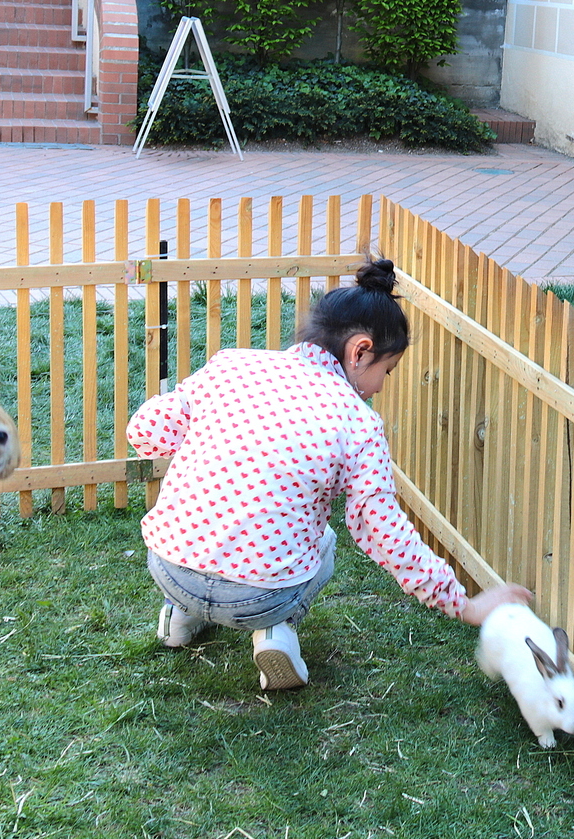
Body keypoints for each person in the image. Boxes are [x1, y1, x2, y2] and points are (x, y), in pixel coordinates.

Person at [132, 259, 530, 691]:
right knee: (323, 542)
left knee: (204, 529)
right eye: (386, 371)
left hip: (169, 569)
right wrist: (464, 605)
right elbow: (381, 528)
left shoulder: (231, 365)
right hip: (259, 598)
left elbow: (145, 431)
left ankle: (179, 618)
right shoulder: (357, 421)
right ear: (360, 352)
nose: (380, 387)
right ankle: (275, 632)